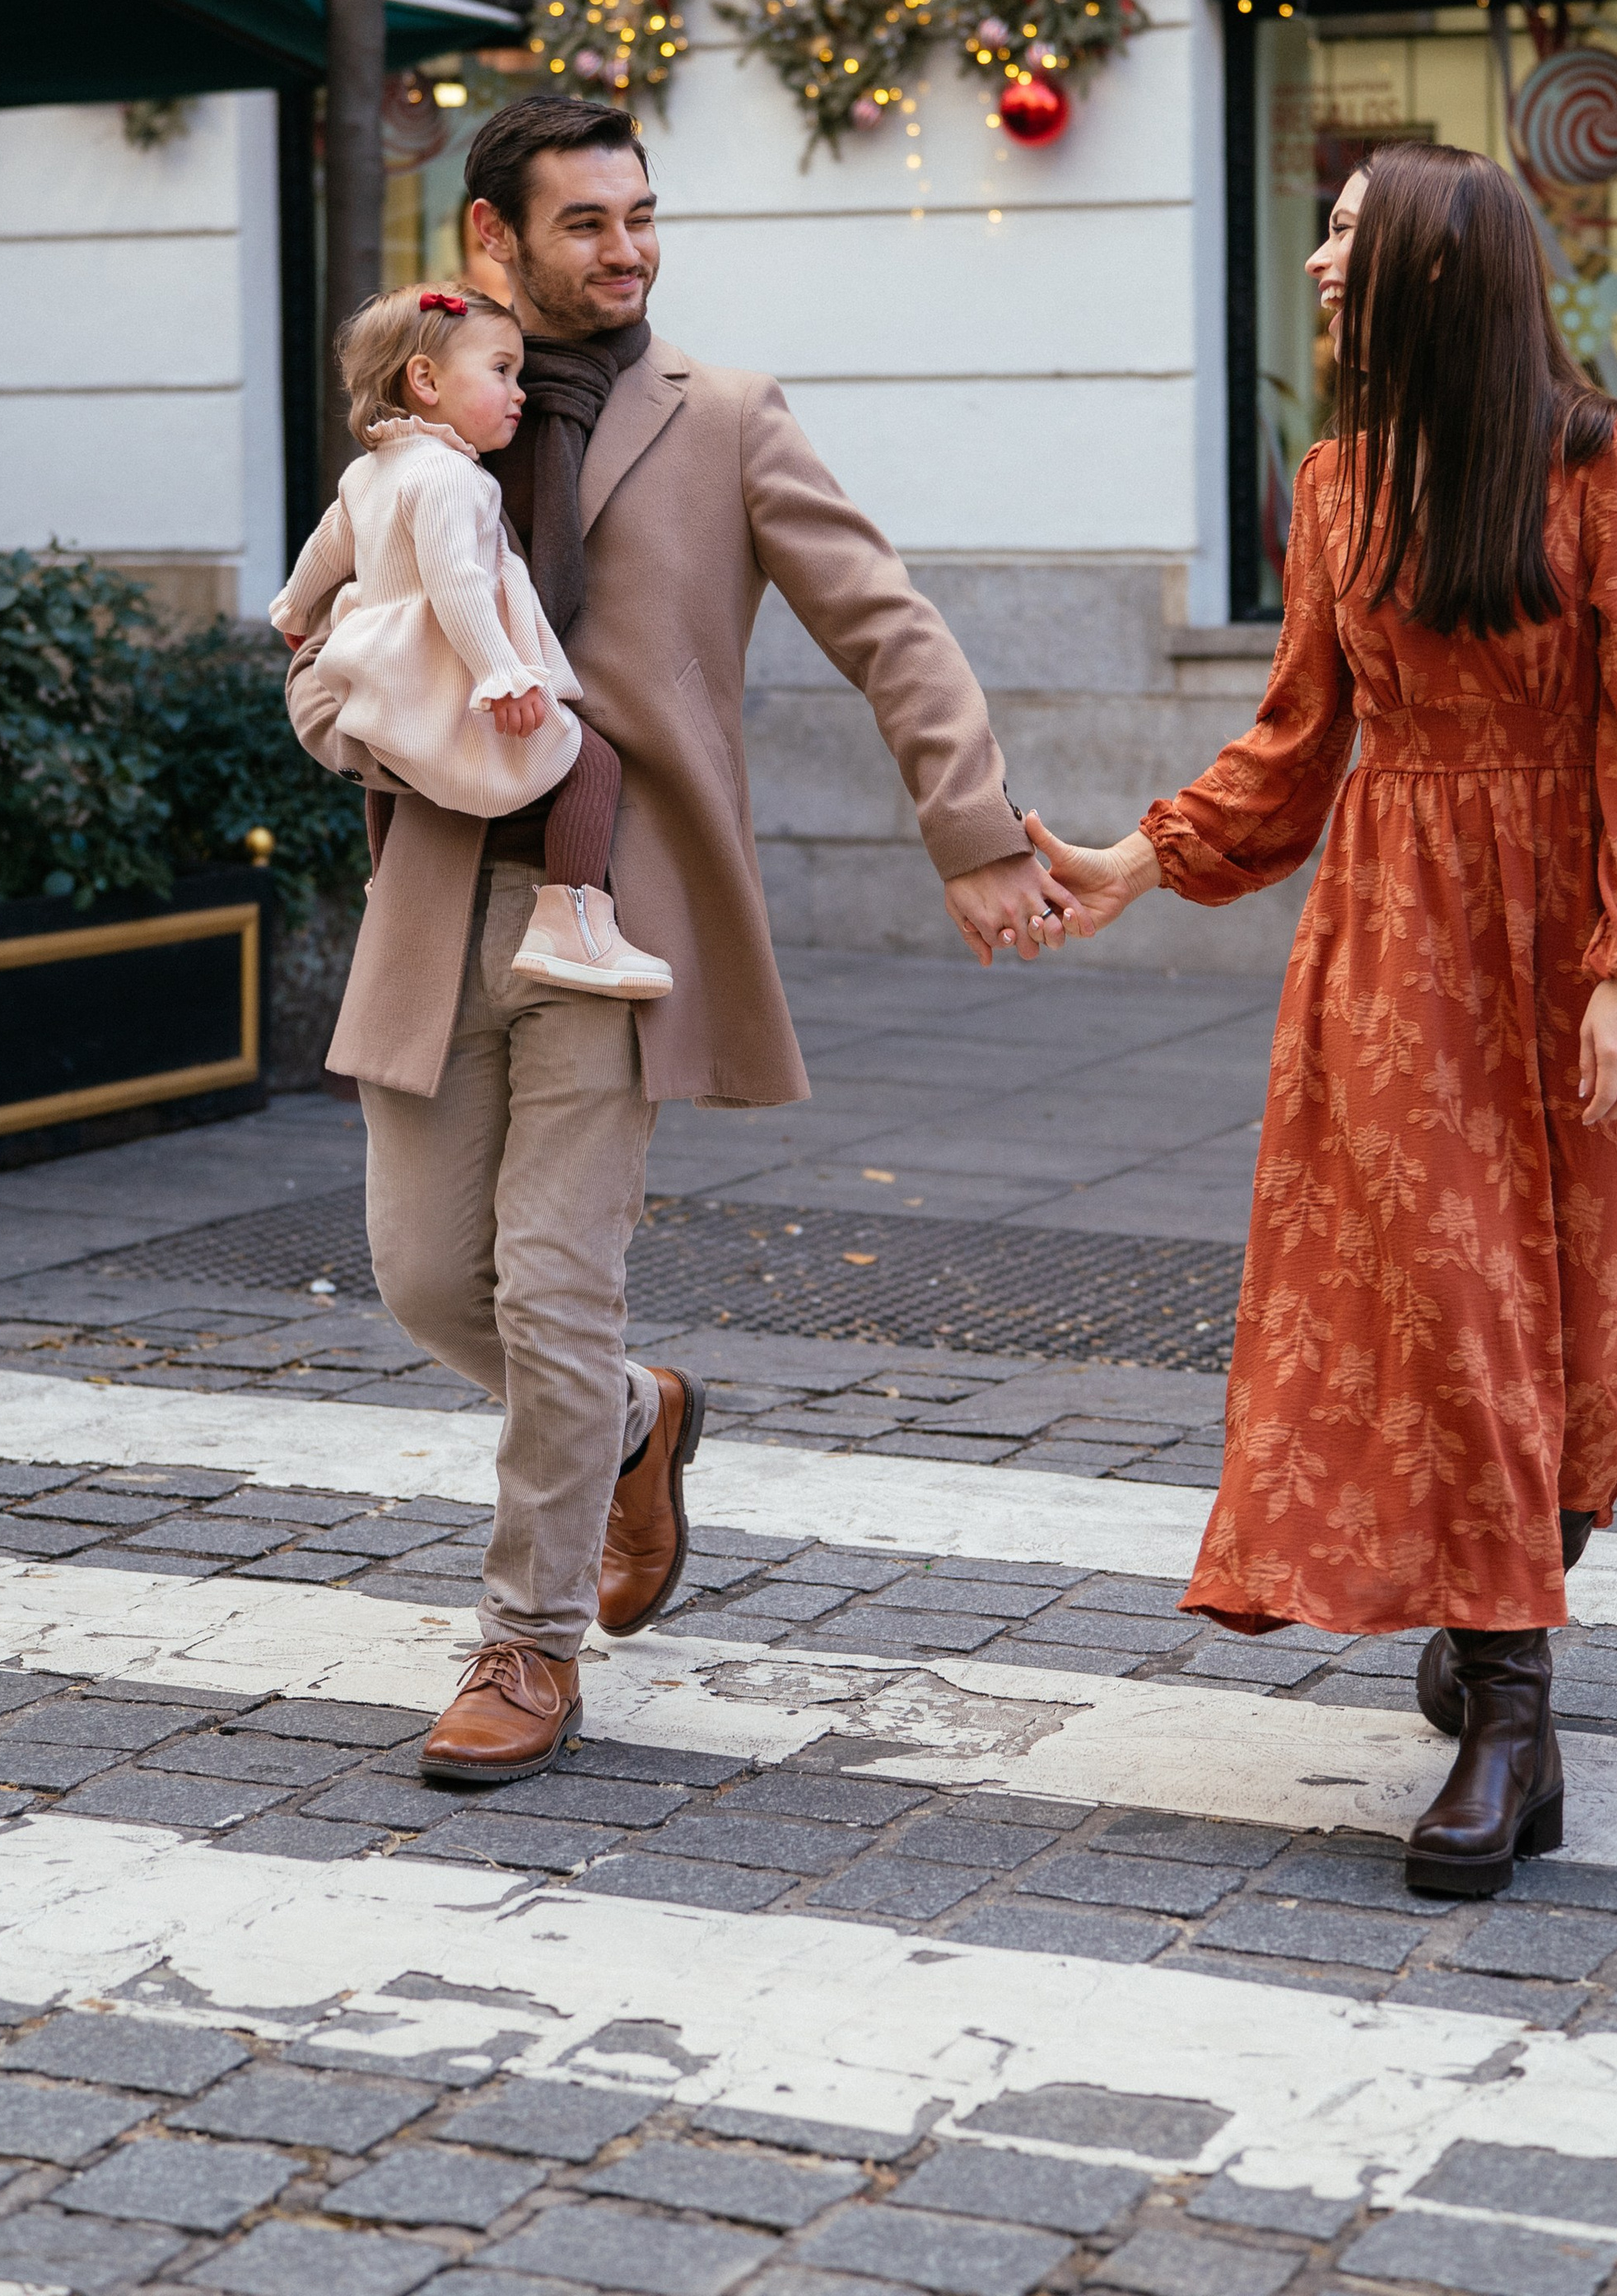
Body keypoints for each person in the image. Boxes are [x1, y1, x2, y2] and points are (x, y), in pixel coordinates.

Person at [285, 89, 1071, 1786]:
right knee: (428, 1280)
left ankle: (528, 1643)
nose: (628, 251)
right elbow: (344, 618)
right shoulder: (435, 414)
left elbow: (888, 624)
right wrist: (336, 716)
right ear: (493, 236)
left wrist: (975, 830)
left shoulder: (724, 419)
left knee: (553, 1291)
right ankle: (639, 1420)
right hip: (433, 897)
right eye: (587, 222)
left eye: (641, 217)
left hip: (611, 917)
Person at [1029, 140, 1617, 1900]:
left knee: (1579, 1316)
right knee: (1448, 1303)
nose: (1319, 264)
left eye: (1345, 236)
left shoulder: (1603, 463)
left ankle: (1505, 1609)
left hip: (1576, 945)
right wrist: (1134, 862)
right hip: (1399, 946)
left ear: (1429, 266)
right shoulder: (1338, 484)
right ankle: (1509, 1711)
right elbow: (1293, 739)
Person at [273, 281, 669, 999]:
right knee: (590, 764)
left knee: (389, 763)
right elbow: (457, 582)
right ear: (425, 381)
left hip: (378, 671)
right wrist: (503, 673)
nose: (520, 393)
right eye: (501, 371)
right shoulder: (452, 476)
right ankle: (572, 924)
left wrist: (294, 609)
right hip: (441, 670)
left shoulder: (367, 471)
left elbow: (327, 548)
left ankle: (388, 886)